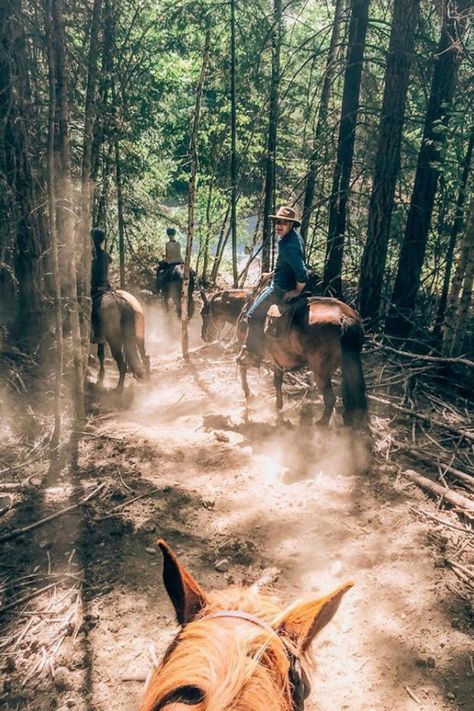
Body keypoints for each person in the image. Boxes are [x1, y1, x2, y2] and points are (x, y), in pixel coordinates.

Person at [236, 206, 308, 368]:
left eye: (283, 222)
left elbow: (301, 272)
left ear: (291, 224)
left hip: (280, 288)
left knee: (252, 315)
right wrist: (272, 273)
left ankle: (254, 354)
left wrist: (297, 290)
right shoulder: (294, 238)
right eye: (277, 221)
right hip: (281, 279)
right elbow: (287, 263)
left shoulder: (288, 244)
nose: (279, 225)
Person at [91, 227, 112, 343]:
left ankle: (97, 333)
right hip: (107, 287)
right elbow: (110, 261)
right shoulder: (105, 255)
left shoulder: (91, 256)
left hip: (95, 288)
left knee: (88, 308)